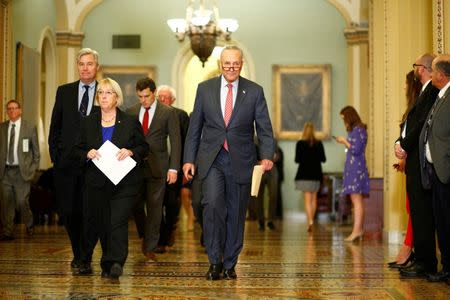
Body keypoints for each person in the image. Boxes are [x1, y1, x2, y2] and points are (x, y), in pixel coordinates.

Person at [183, 45, 274, 280]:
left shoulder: (254, 91)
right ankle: (214, 260)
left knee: (236, 212)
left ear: (241, 64)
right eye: (227, 64)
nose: (231, 68)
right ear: (220, 65)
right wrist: (188, 159)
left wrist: (266, 155)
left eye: (235, 63)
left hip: (240, 160)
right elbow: (195, 128)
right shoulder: (205, 89)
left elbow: (264, 127)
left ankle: (230, 262)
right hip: (212, 159)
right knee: (212, 206)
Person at [72, 78, 149, 279]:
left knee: (117, 221)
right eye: (100, 93)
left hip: (123, 183)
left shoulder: (130, 121)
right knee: (95, 222)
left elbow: (143, 147)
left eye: (108, 93)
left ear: (116, 97)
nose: (103, 96)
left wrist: (131, 151)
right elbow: (76, 149)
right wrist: (86, 153)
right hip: (95, 182)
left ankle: (114, 262)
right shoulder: (88, 122)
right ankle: (87, 260)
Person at [48, 48, 99, 268]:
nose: (85, 68)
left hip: (94, 164)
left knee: (90, 213)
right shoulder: (64, 91)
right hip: (66, 165)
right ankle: (79, 252)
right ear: (77, 66)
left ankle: (84, 256)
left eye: (89, 64)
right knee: (69, 212)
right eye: (81, 64)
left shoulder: (103, 92)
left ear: (97, 67)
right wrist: (56, 158)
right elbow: (55, 127)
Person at [127, 77, 181, 261]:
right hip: (135, 167)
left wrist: (174, 168)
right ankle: (144, 235)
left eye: (147, 96)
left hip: (159, 167)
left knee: (155, 208)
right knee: (134, 204)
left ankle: (150, 246)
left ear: (154, 92)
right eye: (140, 96)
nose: (143, 100)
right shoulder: (131, 112)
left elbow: (176, 141)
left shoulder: (167, 112)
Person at [395, 53, 438, 278]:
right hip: (413, 158)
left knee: (422, 213)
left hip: (420, 160)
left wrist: (404, 145)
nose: (415, 70)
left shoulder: (431, 91)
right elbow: (409, 123)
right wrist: (399, 142)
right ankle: (421, 259)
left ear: (423, 69)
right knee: (418, 211)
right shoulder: (424, 92)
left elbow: (421, 125)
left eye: (416, 66)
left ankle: (425, 261)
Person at [419, 54, 450, 285]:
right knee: (441, 222)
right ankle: (446, 267)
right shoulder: (441, 95)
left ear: (440, 74)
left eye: (433, 71)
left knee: (448, 222)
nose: (430, 75)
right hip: (437, 171)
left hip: (446, 170)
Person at [388, 70, 422, 268]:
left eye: (405, 83)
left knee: (414, 208)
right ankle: (408, 248)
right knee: (411, 207)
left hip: (418, 165)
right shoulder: (411, 109)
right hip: (410, 163)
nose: (403, 87)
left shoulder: (417, 108)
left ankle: (408, 248)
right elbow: (405, 134)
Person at [156, 85, 191, 250]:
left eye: (165, 97)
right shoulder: (152, 114)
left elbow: (186, 142)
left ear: (173, 100)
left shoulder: (181, 116)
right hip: (156, 168)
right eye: (159, 97)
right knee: (156, 204)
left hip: (175, 167)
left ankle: (169, 230)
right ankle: (160, 236)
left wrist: (184, 166)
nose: (162, 100)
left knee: (170, 202)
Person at [0, 100, 40, 240]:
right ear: (7, 111)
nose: (12, 111)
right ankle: (8, 231)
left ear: (20, 110)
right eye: (9, 109)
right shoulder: (2, 128)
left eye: (15, 108)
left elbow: (36, 153)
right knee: (6, 202)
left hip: (22, 173)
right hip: (5, 172)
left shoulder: (29, 127)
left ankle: (29, 223)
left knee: (21, 202)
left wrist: (32, 169)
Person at [335, 106, 369, 242]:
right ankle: (358, 230)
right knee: (355, 201)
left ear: (350, 116)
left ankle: (356, 231)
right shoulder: (355, 130)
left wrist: (344, 141)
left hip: (357, 169)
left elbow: (356, 149)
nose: (344, 122)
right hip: (353, 169)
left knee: (357, 201)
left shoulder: (359, 130)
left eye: (344, 119)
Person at [294, 122, 326, 232]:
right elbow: (323, 159)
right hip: (316, 175)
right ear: (313, 131)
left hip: (303, 175)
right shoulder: (319, 143)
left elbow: (297, 160)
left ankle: (310, 221)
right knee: (314, 200)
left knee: (307, 200)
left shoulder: (300, 143)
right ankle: (311, 220)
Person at [255, 139, 280, 231]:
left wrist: (274, 157)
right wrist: (259, 161)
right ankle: (260, 221)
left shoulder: (274, 140)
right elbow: (251, 154)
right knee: (258, 196)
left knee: (273, 195)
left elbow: (278, 155)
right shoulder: (254, 139)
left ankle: (270, 221)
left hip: (272, 170)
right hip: (259, 169)